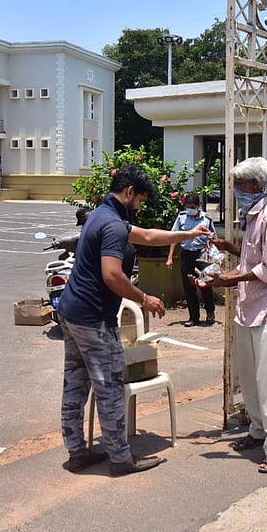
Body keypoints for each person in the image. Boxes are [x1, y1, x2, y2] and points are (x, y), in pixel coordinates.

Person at [57, 166, 210, 476]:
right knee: (110, 385)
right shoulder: (112, 224)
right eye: (139, 199)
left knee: (75, 382)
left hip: (71, 312)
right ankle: (120, 458)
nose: (140, 206)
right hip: (93, 318)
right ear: (129, 192)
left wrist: (189, 234)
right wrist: (144, 298)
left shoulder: (101, 215)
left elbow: (150, 236)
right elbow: (112, 275)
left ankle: (76, 452)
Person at [197, 157, 267, 474]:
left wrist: (228, 279)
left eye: (239, 185)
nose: (235, 191)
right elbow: (255, 256)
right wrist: (229, 248)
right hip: (248, 308)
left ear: (253, 185)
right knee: (251, 378)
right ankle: (258, 430)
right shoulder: (252, 216)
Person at [167, 193, 216, 327]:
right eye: (187, 207)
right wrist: (170, 257)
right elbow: (174, 237)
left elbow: (213, 238)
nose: (190, 209)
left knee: (205, 285)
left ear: (198, 206)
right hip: (186, 255)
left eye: (192, 207)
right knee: (189, 287)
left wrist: (208, 246)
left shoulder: (206, 219)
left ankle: (210, 313)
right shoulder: (182, 217)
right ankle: (193, 317)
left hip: (201, 256)